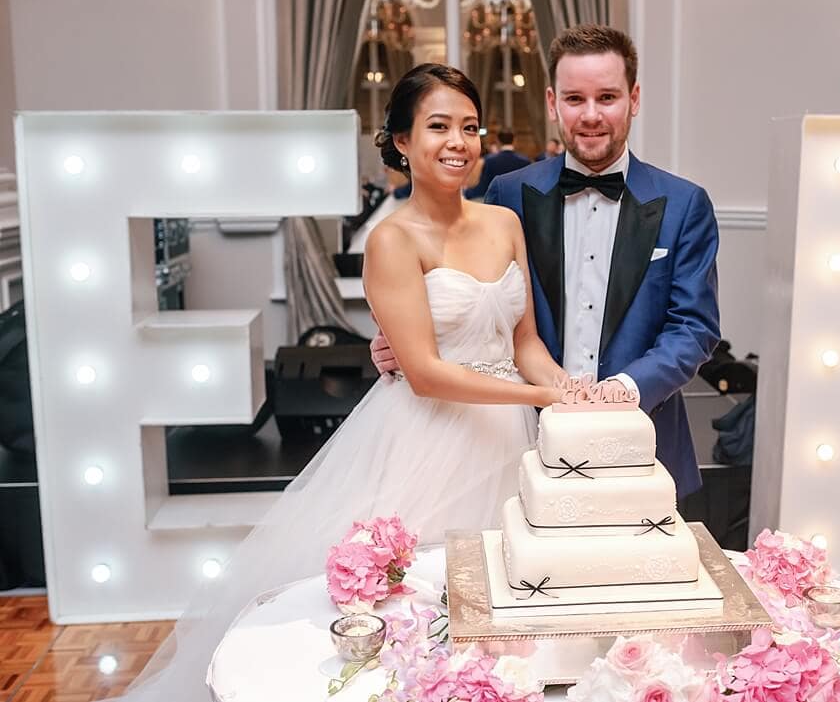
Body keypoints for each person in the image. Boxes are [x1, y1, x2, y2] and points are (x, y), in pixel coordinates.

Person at [116, 63, 565, 701]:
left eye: (469, 126)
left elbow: (525, 344)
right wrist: (538, 396)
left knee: (510, 623)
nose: (458, 142)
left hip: (510, 437)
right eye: (438, 126)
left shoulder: (503, 223)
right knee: (416, 617)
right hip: (430, 437)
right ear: (403, 142)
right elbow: (427, 373)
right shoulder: (391, 240)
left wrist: (565, 390)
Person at [375, 24, 721, 500]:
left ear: (634, 99)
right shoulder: (510, 195)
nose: (592, 115)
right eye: (575, 99)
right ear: (553, 103)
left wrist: (624, 387)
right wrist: (400, 341)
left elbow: (695, 328)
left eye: (608, 97)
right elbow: (473, 309)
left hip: (646, 438)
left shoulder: (685, 204)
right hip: (517, 442)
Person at [464, 129, 532, 199]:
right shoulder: (525, 162)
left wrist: (466, 192)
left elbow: (483, 187)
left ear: (498, 141)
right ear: (514, 141)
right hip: (518, 202)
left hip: (497, 202)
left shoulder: (489, 161)